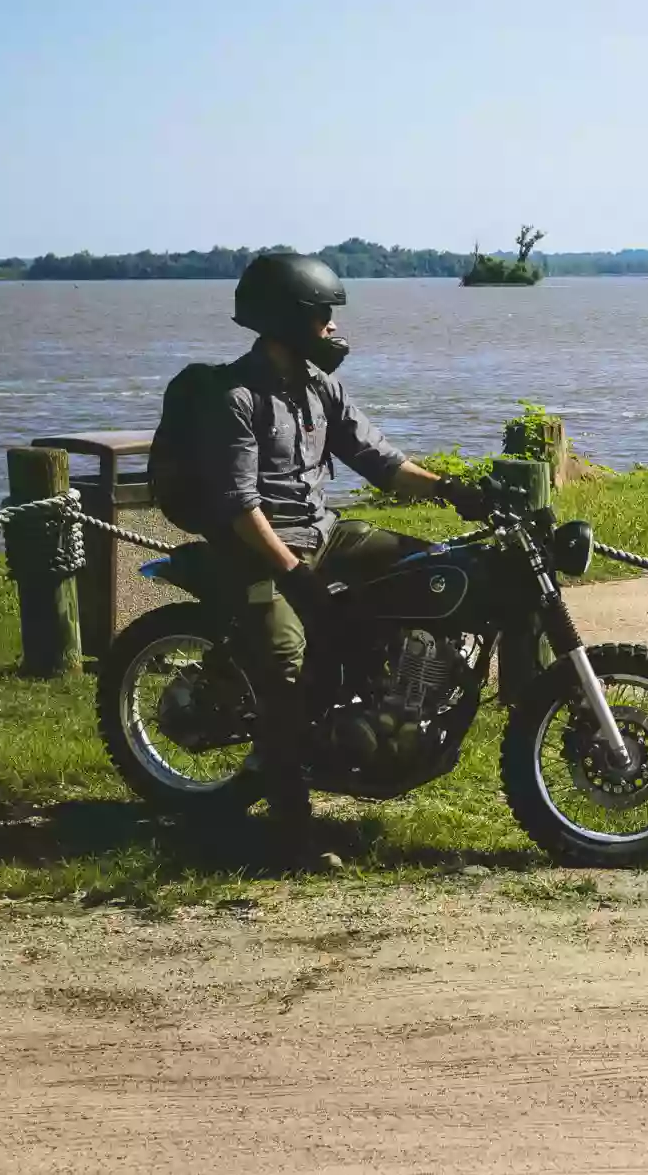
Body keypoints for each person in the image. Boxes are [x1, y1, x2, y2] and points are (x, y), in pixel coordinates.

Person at [202, 252, 489, 869]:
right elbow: (239, 507)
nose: (333, 327)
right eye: (323, 315)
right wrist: (293, 574)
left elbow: (380, 461)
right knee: (284, 671)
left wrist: (453, 489)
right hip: (264, 549)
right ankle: (288, 834)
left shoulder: (320, 386)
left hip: (325, 534)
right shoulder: (236, 398)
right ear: (288, 320)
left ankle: (389, 698)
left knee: (434, 571)